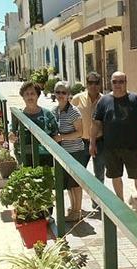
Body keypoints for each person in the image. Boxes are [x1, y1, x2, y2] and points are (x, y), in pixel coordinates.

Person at [90, 71, 137, 200]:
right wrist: (92, 143)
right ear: (110, 83)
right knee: (115, 176)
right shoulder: (104, 101)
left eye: (121, 81)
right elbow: (95, 124)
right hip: (111, 148)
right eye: (115, 81)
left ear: (126, 83)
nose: (118, 84)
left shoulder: (136, 99)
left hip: (132, 147)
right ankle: (121, 202)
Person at [52, 81, 88, 221]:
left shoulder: (74, 112)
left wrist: (62, 138)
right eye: (58, 92)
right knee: (68, 184)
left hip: (75, 152)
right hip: (62, 153)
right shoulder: (54, 111)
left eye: (64, 92)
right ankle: (73, 209)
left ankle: (77, 211)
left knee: (75, 183)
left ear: (68, 95)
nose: (61, 95)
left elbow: (80, 132)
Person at [72, 72, 107, 209]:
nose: (93, 86)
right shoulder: (76, 99)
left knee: (99, 174)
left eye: (96, 83)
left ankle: (97, 202)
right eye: (90, 83)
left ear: (100, 84)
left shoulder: (105, 100)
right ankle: (77, 205)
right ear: (86, 84)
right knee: (79, 173)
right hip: (81, 142)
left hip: (100, 142)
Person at [8, 81, 58, 167]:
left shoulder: (47, 114)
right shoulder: (18, 115)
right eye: (26, 94)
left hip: (45, 156)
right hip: (25, 155)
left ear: (37, 96)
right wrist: (11, 136)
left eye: (32, 93)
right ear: (23, 97)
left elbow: (56, 133)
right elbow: (12, 133)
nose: (29, 96)